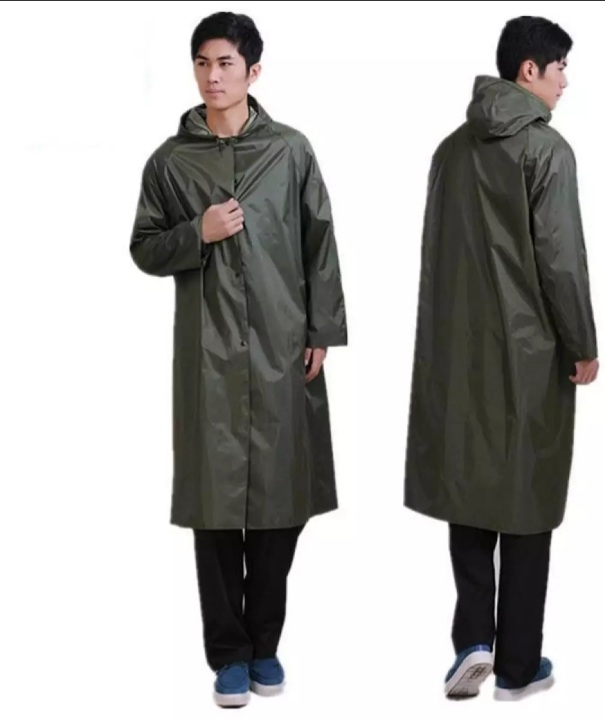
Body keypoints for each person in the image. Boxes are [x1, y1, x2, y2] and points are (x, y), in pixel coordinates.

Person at [128, 11, 347, 709]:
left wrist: (322, 328)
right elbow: (143, 247)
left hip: (283, 348)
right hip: (209, 355)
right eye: (202, 62)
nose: (212, 76)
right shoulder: (170, 162)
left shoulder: (290, 151)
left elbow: (319, 240)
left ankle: (265, 643)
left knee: (283, 500)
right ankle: (228, 655)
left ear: (254, 70)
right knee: (216, 507)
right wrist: (198, 231)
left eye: (225, 63)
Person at [404, 15, 599, 702]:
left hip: (456, 353)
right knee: (526, 501)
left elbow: (436, 259)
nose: (565, 81)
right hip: (529, 354)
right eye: (560, 67)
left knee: (468, 489)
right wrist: (583, 344)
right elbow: (561, 262)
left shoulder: (449, 152)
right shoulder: (547, 151)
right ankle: (517, 666)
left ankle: (473, 640)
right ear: (529, 70)